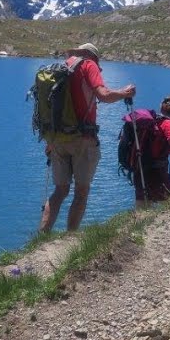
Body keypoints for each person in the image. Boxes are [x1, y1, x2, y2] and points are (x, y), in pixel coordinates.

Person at [39, 43, 136, 233]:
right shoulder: (88, 65)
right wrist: (125, 92)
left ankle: (42, 236)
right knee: (81, 192)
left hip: (58, 139)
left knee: (60, 191)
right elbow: (104, 95)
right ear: (92, 56)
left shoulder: (61, 68)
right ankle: (71, 237)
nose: (98, 64)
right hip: (83, 139)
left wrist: (50, 141)